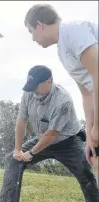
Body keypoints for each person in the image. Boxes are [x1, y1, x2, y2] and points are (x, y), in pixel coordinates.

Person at [0, 65, 98, 202]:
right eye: (31, 86)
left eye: (36, 86)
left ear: (49, 82)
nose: (33, 91)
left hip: (68, 142)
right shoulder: (29, 92)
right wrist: (18, 150)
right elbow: (21, 121)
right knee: (12, 160)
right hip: (42, 138)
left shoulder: (63, 100)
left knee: (86, 175)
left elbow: (52, 134)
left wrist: (31, 153)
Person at [23, 3, 98, 185]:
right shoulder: (62, 51)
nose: (33, 38)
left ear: (40, 25)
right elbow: (87, 93)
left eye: (31, 31)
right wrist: (90, 133)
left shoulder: (73, 31)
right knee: (96, 158)